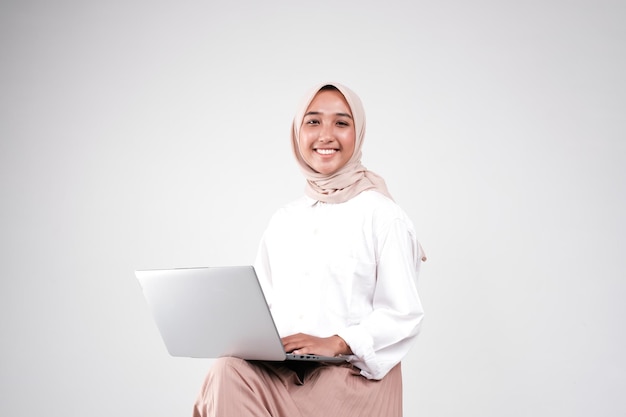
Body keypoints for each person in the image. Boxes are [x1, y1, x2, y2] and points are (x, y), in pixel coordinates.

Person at [192, 82, 425, 417]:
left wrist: (339, 341)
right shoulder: (285, 219)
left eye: (341, 123)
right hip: (287, 375)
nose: (326, 135)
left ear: (357, 134)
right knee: (226, 371)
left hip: (351, 380)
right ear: (297, 132)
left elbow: (403, 315)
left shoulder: (383, 214)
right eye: (313, 121)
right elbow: (266, 304)